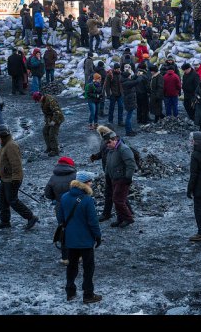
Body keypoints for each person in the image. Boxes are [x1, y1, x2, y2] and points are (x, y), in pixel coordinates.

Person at [57, 171, 102, 303]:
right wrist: (97, 236)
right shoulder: (87, 200)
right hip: (85, 241)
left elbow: (60, 217)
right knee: (88, 268)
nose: (91, 183)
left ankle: (70, 292)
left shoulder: (65, 197)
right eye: (90, 181)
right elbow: (93, 222)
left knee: (72, 266)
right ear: (84, 183)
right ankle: (88, 295)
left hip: (70, 240)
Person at [0, 123, 38, 230]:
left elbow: (16, 164)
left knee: (12, 200)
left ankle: (31, 217)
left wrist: (16, 179)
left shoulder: (11, 146)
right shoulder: (4, 144)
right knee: (2, 200)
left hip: (12, 178)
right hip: (6, 177)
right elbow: (3, 162)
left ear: (2, 135)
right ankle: (5, 222)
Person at [44, 156, 76, 265]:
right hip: (75, 205)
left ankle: (65, 258)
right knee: (78, 228)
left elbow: (47, 194)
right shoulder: (75, 176)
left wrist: (56, 198)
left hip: (60, 206)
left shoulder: (53, 178)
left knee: (64, 229)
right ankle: (79, 255)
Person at [104, 130, 136, 228]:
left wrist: (128, 178)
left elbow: (131, 164)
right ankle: (120, 219)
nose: (107, 145)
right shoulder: (111, 150)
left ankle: (128, 218)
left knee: (118, 200)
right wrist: (107, 176)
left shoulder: (124, 149)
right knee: (117, 199)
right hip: (114, 178)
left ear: (115, 140)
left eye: (108, 142)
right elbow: (108, 165)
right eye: (106, 143)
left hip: (122, 179)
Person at [33, 91, 64, 157]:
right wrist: (47, 121)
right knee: (45, 131)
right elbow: (46, 113)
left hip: (57, 118)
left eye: (37, 100)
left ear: (40, 97)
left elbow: (57, 112)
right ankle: (49, 147)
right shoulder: (43, 101)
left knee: (52, 134)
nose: (38, 102)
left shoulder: (50, 100)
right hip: (50, 119)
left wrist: (54, 121)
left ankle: (55, 150)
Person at [104, 62, 124, 127]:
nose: (118, 70)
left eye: (119, 69)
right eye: (117, 69)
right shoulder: (110, 75)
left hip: (120, 94)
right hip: (113, 95)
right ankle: (110, 121)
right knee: (111, 108)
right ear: (114, 69)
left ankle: (120, 121)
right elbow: (107, 85)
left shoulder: (120, 74)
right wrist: (108, 94)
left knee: (121, 107)